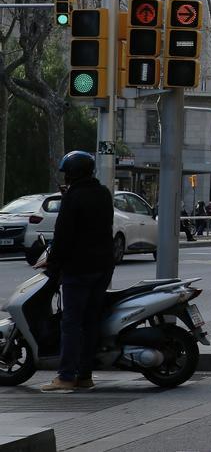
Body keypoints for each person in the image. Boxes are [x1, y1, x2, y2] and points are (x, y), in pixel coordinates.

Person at [40, 151, 115, 393]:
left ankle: (65, 376)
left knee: (71, 323)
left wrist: (53, 267)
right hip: (102, 267)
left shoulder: (73, 197)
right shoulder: (103, 193)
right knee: (90, 321)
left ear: (72, 173)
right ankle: (85, 374)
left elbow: (63, 236)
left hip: (79, 268)